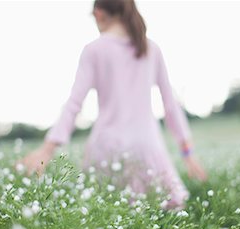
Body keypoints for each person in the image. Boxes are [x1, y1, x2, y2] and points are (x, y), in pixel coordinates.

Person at [17, 0, 208, 210]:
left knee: (107, 221)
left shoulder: (94, 50)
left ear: (99, 14)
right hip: (147, 146)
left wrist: (47, 149)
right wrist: (188, 154)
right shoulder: (151, 49)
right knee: (163, 217)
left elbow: (74, 105)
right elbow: (170, 105)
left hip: (106, 149)